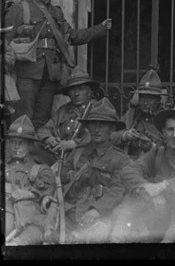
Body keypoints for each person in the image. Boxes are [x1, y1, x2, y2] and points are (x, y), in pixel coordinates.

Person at [3, 0, 112, 129]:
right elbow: (4, 41)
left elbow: (73, 36)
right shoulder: (20, 10)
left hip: (50, 76)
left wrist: (101, 29)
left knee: (42, 120)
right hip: (27, 75)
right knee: (22, 119)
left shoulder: (57, 13)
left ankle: (36, 154)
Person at [111, 103, 175, 243]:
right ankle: (116, 239)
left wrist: (165, 185)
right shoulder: (158, 151)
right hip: (162, 211)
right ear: (164, 132)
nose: (174, 135)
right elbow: (129, 171)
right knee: (133, 195)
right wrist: (146, 187)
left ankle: (168, 242)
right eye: (170, 130)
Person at [60, 97, 132, 243]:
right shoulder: (78, 152)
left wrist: (97, 210)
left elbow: (117, 190)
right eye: (93, 125)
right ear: (88, 127)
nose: (97, 129)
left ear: (112, 129)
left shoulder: (121, 159)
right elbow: (60, 175)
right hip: (70, 212)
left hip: (101, 216)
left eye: (103, 125)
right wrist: (71, 175)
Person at [4, 115, 58, 246]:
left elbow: (49, 189)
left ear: (30, 145)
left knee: (21, 242)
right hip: (7, 215)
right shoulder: (4, 166)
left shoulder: (40, 169)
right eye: (13, 142)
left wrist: (31, 193)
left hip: (29, 222)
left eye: (21, 143)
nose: (16, 147)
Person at [36, 67, 99, 165]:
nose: (76, 94)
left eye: (81, 89)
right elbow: (43, 130)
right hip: (58, 156)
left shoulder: (96, 109)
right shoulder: (63, 110)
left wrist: (71, 144)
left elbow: (99, 136)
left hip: (84, 157)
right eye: (73, 90)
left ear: (89, 92)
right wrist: (51, 140)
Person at [111, 67, 166, 159]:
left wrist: (152, 147)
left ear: (158, 100)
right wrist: (125, 135)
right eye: (142, 98)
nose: (145, 103)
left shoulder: (165, 119)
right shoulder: (131, 115)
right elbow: (109, 137)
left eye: (150, 99)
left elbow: (174, 151)